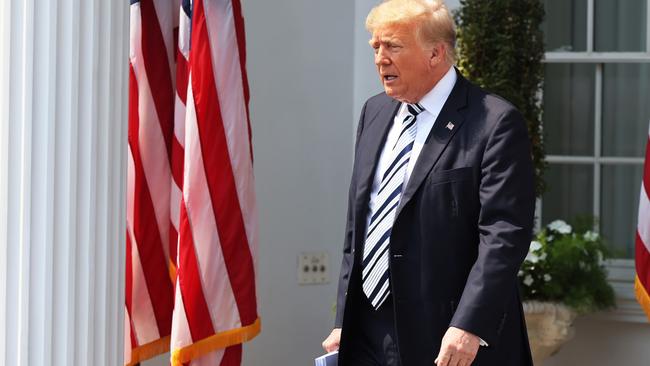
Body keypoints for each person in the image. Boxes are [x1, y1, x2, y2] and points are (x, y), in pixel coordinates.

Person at [321, 1, 535, 365]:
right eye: (376, 47)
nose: (380, 59)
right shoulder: (374, 112)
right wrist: (345, 318)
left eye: (393, 46)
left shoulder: (494, 122)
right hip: (369, 333)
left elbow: (503, 236)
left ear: (436, 53)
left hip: (447, 335)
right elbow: (360, 226)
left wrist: (470, 324)